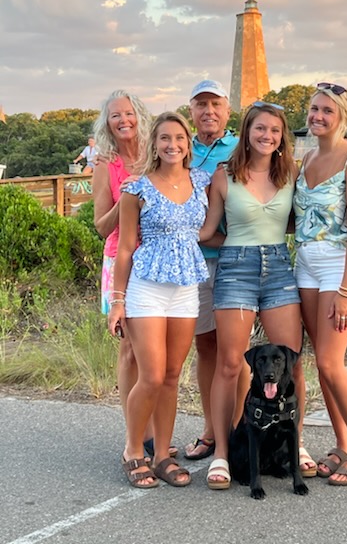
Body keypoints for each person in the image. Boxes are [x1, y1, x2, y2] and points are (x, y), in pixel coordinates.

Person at [199, 101, 316, 490]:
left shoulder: (290, 173)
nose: (267, 136)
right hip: (236, 269)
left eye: (275, 130)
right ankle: (221, 454)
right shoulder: (224, 176)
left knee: (291, 362)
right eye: (260, 128)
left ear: (282, 137)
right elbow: (208, 231)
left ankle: (294, 445)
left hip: (279, 269)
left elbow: (302, 220)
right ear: (247, 132)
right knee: (230, 364)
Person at [108, 112, 211, 488]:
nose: (173, 145)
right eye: (165, 138)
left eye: (179, 138)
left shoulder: (202, 180)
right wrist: (118, 301)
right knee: (150, 375)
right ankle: (134, 450)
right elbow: (124, 249)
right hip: (146, 288)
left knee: (170, 376)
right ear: (154, 143)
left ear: (188, 143)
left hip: (185, 290)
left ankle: (163, 455)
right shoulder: (137, 189)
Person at [293, 82, 347, 486]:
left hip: (338, 265)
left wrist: (345, 290)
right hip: (305, 264)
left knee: (331, 361)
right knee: (320, 363)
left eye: (327, 110)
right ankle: (342, 444)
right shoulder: (306, 158)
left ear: (342, 117)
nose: (318, 116)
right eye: (314, 109)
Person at [92, 90, 175, 459]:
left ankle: (155, 433)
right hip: (120, 260)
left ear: (139, 115)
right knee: (129, 349)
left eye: (128, 113)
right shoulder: (105, 165)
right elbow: (101, 226)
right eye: (115, 116)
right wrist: (127, 197)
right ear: (107, 123)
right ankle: (137, 435)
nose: (123, 120)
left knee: (156, 355)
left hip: (156, 259)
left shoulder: (155, 154)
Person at [184, 80, 251, 461]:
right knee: (205, 345)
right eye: (201, 104)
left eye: (215, 104)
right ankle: (212, 430)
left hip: (233, 259)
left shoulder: (241, 147)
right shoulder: (180, 146)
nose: (208, 111)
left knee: (235, 350)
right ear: (191, 111)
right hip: (194, 261)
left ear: (227, 111)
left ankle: (239, 428)